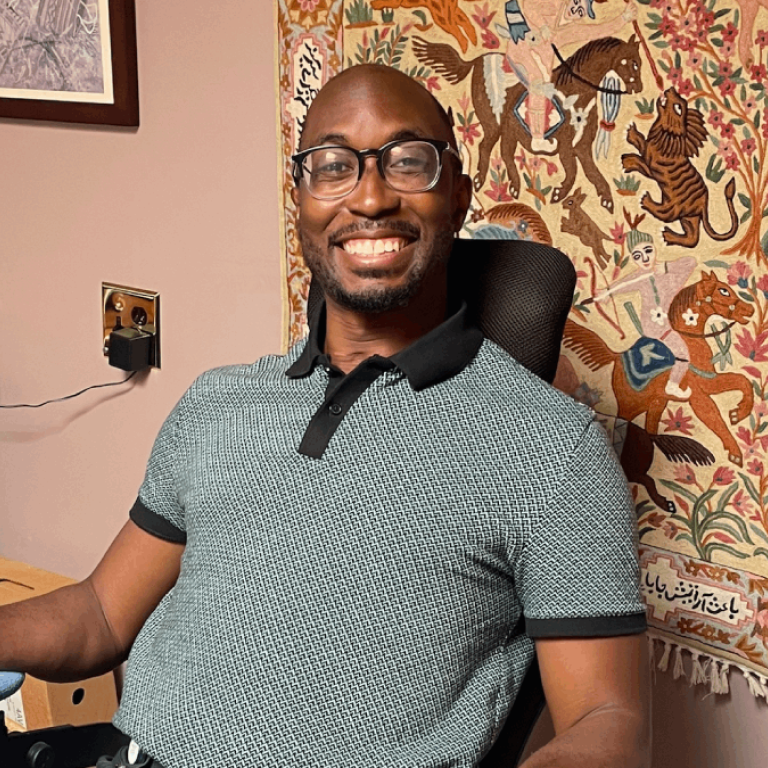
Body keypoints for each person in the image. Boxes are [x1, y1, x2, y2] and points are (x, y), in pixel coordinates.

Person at [0, 65, 650, 768]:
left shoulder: (551, 450)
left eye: (407, 161)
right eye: (333, 166)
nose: (369, 196)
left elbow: (608, 720)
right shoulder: (217, 404)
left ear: (457, 196)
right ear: (303, 200)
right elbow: (98, 614)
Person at [503, 0, 637, 151]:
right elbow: (529, 5)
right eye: (577, 3)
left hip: (540, 63)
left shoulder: (569, 30)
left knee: (546, 80)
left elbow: (596, 31)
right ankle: (537, 138)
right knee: (538, 81)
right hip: (522, 49)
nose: (576, 9)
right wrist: (543, 26)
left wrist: (623, 19)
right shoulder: (553, 4)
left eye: (581, 11)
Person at [595, 216, 696, 399]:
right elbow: (623, 284)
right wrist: (606, 292)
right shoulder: (640, 277)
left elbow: (691, 262)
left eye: (648, 251)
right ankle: (672, 385)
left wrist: (666, 266)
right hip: (656, 326)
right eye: (637, 256)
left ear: (654, 249)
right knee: (683, 354)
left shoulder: (669, 273)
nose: (645, 258)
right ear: (634, 260)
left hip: (675, 320)